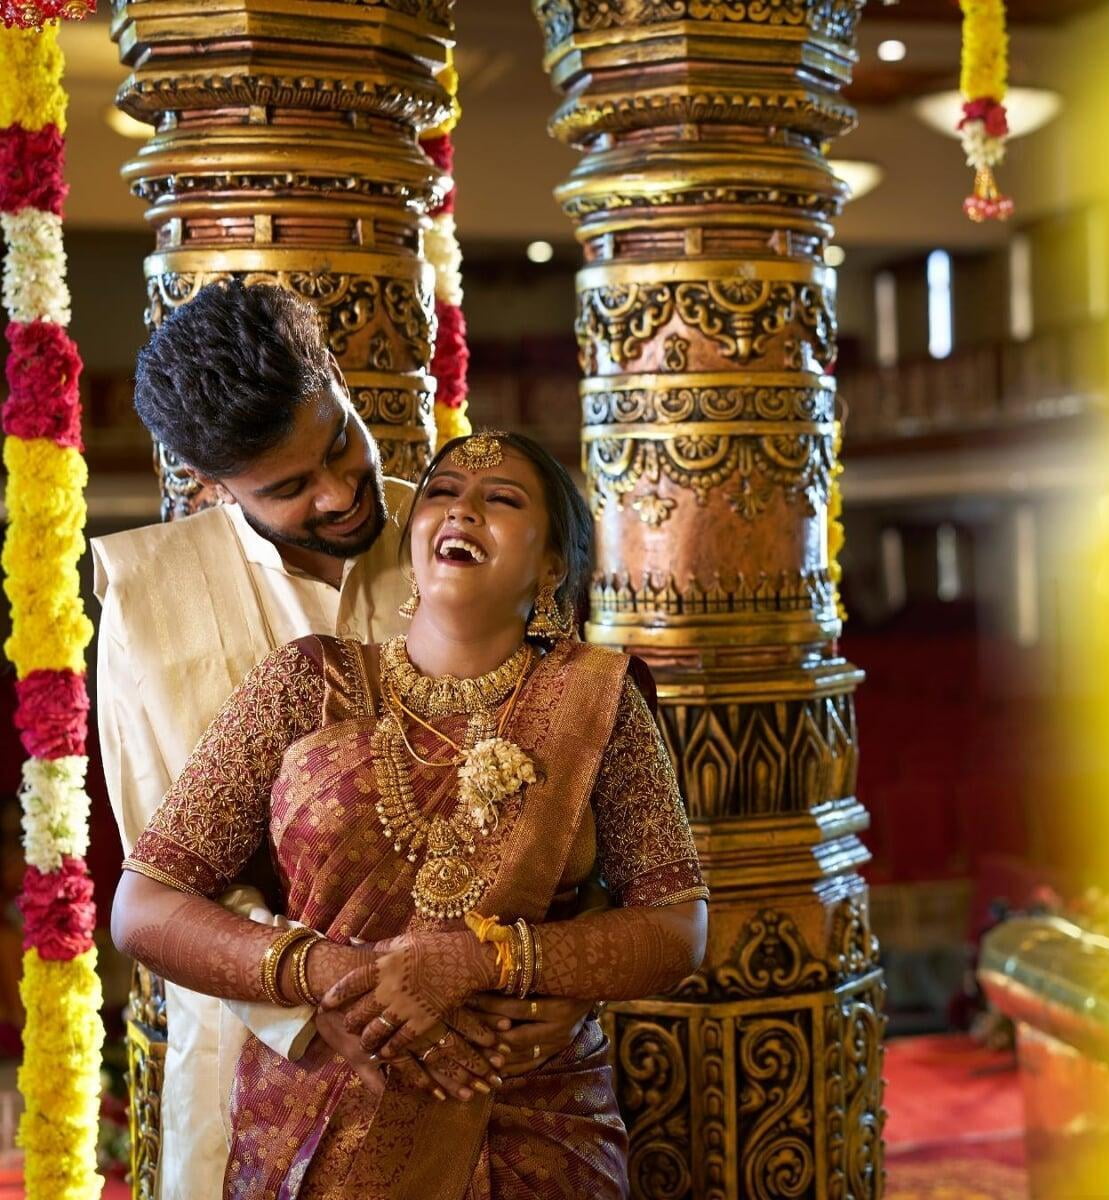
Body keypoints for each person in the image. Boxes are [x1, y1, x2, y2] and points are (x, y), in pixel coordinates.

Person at [110, 428, 709, 1198]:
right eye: (441, 493)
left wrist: (484, 962)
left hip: (533, 1125)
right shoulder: (305, 683)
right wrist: (325, 974)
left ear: (553, 565)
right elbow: (145, 905)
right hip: (324, 1118)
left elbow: (677, 926)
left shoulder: (598, 702)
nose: (462, 509)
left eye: (501, 499)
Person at [93, 283, 591, 1198]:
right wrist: (326, 998)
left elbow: (578, 788)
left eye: (338, 443)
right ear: (211, 481)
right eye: (288, 488)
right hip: (265, 1056)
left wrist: (565, 976)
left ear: (339, 382)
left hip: (497, 1048)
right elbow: (167, 878)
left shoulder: (470, 534)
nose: (337, 492)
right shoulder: (149, 594)